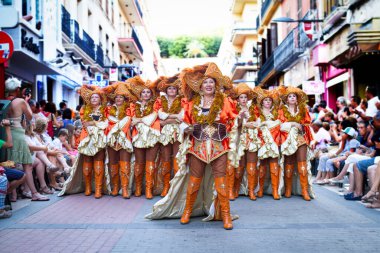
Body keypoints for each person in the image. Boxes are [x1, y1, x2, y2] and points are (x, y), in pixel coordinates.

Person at [146, 63, 238, 230]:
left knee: (221, 182)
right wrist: (185, 128)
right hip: (198, 146)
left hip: (219, 146)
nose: (208, 85)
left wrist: (238, 120)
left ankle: (225, 214)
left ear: (215, 85)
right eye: (205, 82)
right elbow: (183, 122)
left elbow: (233, 121)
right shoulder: (191, 103)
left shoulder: (225, 101)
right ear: (200, 86)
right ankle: (187, 211)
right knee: (194, 181)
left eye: (211, 82)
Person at [60, 85, 109, 198]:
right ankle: (87, 187)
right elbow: (85, 123)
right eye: (92, 98)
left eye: (96, 97)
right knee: (87, 163)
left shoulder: (105, 109)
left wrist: (93, 123)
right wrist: (96, 123)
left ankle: (98, 189)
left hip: (100, 138)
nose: (94, 99)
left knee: (98, 162)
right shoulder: (84, 110)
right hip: (87, 137)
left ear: (100, 99)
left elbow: (105, 123)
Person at [278, 86, 315, 201]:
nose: (292, 98)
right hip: (287, 140)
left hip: (300, 139)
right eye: (290, 96)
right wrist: (293, 124)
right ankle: (288, 189)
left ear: (297, 99)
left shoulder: (304, 110)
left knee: (302, 164)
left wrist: (312, 139)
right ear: (287, 99)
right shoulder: (281, 111)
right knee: (288, 163)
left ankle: (304, 190)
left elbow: (308, 126)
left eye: (294, 96)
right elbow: (280, 126)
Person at [130, 77, 161, 199]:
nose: (146, 94)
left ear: (151, 94)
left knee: (150, 163)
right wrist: (139, 121)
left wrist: (140, 120)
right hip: (138, 136)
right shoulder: (133, 106)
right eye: (143, 92)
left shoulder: (156, 104)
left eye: (148, 92)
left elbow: (155, 118)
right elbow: (132, 121)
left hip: (152, 134)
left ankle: (148, 189)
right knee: (139, 163)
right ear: (140, 94)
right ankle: (138, 188)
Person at [103, 81, 135, 198]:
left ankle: (125, 189)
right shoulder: (108, 109)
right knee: (113, 163)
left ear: (124, 99)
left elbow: (131, 121)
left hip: (125, 138)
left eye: (121, 97)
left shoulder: (129, 109)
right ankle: (115, 187)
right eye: (116, 97)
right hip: (111, 139)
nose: (118, 99)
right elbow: (105, 122)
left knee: (125, 163)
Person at [230, 83, 260, 201]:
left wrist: (254, 125)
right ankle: (235, 189)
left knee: (252, 166)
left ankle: (251, 191)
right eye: (241, 97)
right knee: (239, 167)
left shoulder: (253, 109)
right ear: (237, 99)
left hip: (252, 139)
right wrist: (244, 123)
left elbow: (259, 122)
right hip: (239, 140)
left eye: (245, 97)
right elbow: (232, 124)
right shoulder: (233, 109)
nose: (243, 99)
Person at [156, 74, 185, 197]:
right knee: (165, 158)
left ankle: (176, 187)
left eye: (174, 88)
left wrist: (167, 118)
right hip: (164, 132)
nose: (172, 90)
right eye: (169, 88)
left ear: (177, 90)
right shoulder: (159, 101)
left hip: (178, 132)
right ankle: (166, 186)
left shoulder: (182, 101)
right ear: (166, 90)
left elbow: (183, 117)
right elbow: (159, 118)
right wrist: (173, 118)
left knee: (177, 158)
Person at [256, 87, 282, 200]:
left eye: (269, 100)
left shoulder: (276, 114)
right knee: (262, 165)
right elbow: (256, 127)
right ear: (262, 102)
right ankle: (260, 189)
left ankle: (275, 191)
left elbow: (280, 127)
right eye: (265, 100)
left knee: (274, 165)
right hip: (261, 140)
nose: (267, 102)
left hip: (274, 140)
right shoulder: (257, 113)